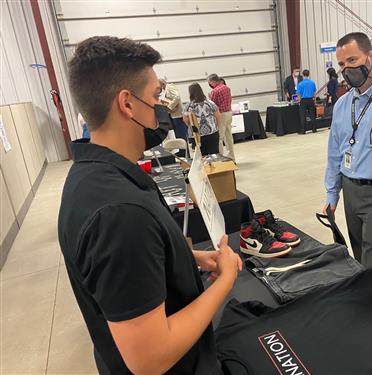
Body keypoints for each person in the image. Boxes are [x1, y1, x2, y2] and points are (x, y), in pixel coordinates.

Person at [58, 36, 242, 374]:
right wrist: (226, 280)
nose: (162, 107)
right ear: (127, 104)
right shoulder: (120, 214)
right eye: (156, 96)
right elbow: (150, 358)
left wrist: (184, 259)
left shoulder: (90, 177)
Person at [324, 32, 372, 274]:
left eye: (352, 61)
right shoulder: (343, 104)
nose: (347, 69)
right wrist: (332, 193)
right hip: (351, 192)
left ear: (370, 57)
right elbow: (335, 152)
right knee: (358, 258)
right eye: (342, 64)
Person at [183, 83, 221, 156]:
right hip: (212, 133)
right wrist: (215, 127)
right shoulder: (210, 103)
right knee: (215, 155)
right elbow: (218, 116)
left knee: (201, 157)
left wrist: (191, 125)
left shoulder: (188, 106)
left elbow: (185, 120)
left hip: (196, 135)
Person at [207, 73, 235, 162]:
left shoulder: (215, 91)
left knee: (219, 137)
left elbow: (213, 105)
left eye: (209, 83)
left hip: (221, 114)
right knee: (228, 136)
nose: (210, 85)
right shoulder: (227, 88)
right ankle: (232, 157)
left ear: (212, 81)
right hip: (229, 112)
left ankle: (220, 158)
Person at [159, 78, 188, 157]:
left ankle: (184, 153)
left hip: (178, 115)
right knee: (178, 134)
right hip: (174, 115)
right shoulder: (166, 89)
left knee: (181, 135)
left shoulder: (170, 87)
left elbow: (177, 97)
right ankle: (182, 152)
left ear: (161, 84)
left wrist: (169, 106)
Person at [297, 69, 317, 133]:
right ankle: (314, 129)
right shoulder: (312, 82)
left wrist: (299, 101)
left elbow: (299, 94)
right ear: (309, 74)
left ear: (303, 75)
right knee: (312, 115)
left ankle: (303, 131)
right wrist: (314, 101)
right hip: (311, 100)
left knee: (303, 115)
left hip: (303, 100)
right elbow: (314, 93)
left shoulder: (300, 84)